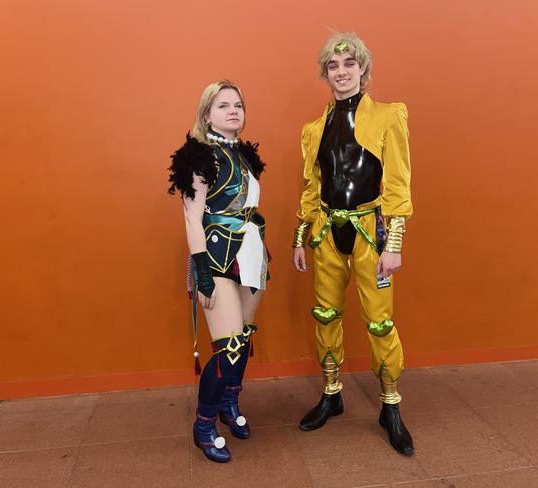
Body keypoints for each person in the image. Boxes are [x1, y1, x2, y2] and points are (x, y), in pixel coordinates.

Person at [292, 32, 415, 455]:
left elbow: (397, 183)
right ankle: (332, 392)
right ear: (326, 72)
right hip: (327, 231)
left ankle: (391, 404)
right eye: (333, 65)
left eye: (349, 64)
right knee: (325, 314)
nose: (341, 72)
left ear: (362, 68)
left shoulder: (388, 115)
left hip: (369, 232)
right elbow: (312, 186)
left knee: (380, 321)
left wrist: (394, 242)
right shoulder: (313, 129)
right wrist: (299, 236)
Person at [168, 80, 268, 463]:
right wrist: (202, 271)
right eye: (223, 105)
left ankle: (229, 403)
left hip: (252, 254)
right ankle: (204, 424)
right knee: (229, 346)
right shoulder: (198, 156)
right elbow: (192, 218)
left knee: (243, 337)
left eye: (238, 104)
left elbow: (246, 208)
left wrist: (260, 247)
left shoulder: (243, 155)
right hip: (216, 255)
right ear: (207, 113)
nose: (233, 110)